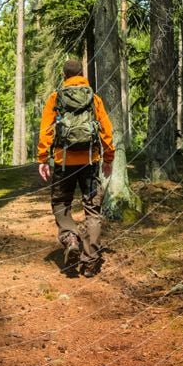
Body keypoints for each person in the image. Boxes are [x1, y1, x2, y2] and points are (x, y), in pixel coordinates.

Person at [37, 59, 114, 277]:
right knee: (92, 209)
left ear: (64, 76)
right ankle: (90, 261)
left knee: (61, 203)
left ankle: (70, 237)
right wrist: (108, 158)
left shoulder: (56, 98)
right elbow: (106, 131)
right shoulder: (94, 99)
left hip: (64, 162)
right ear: (82, 74)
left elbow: (46, 132)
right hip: (90, 162)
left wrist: (43, 159)